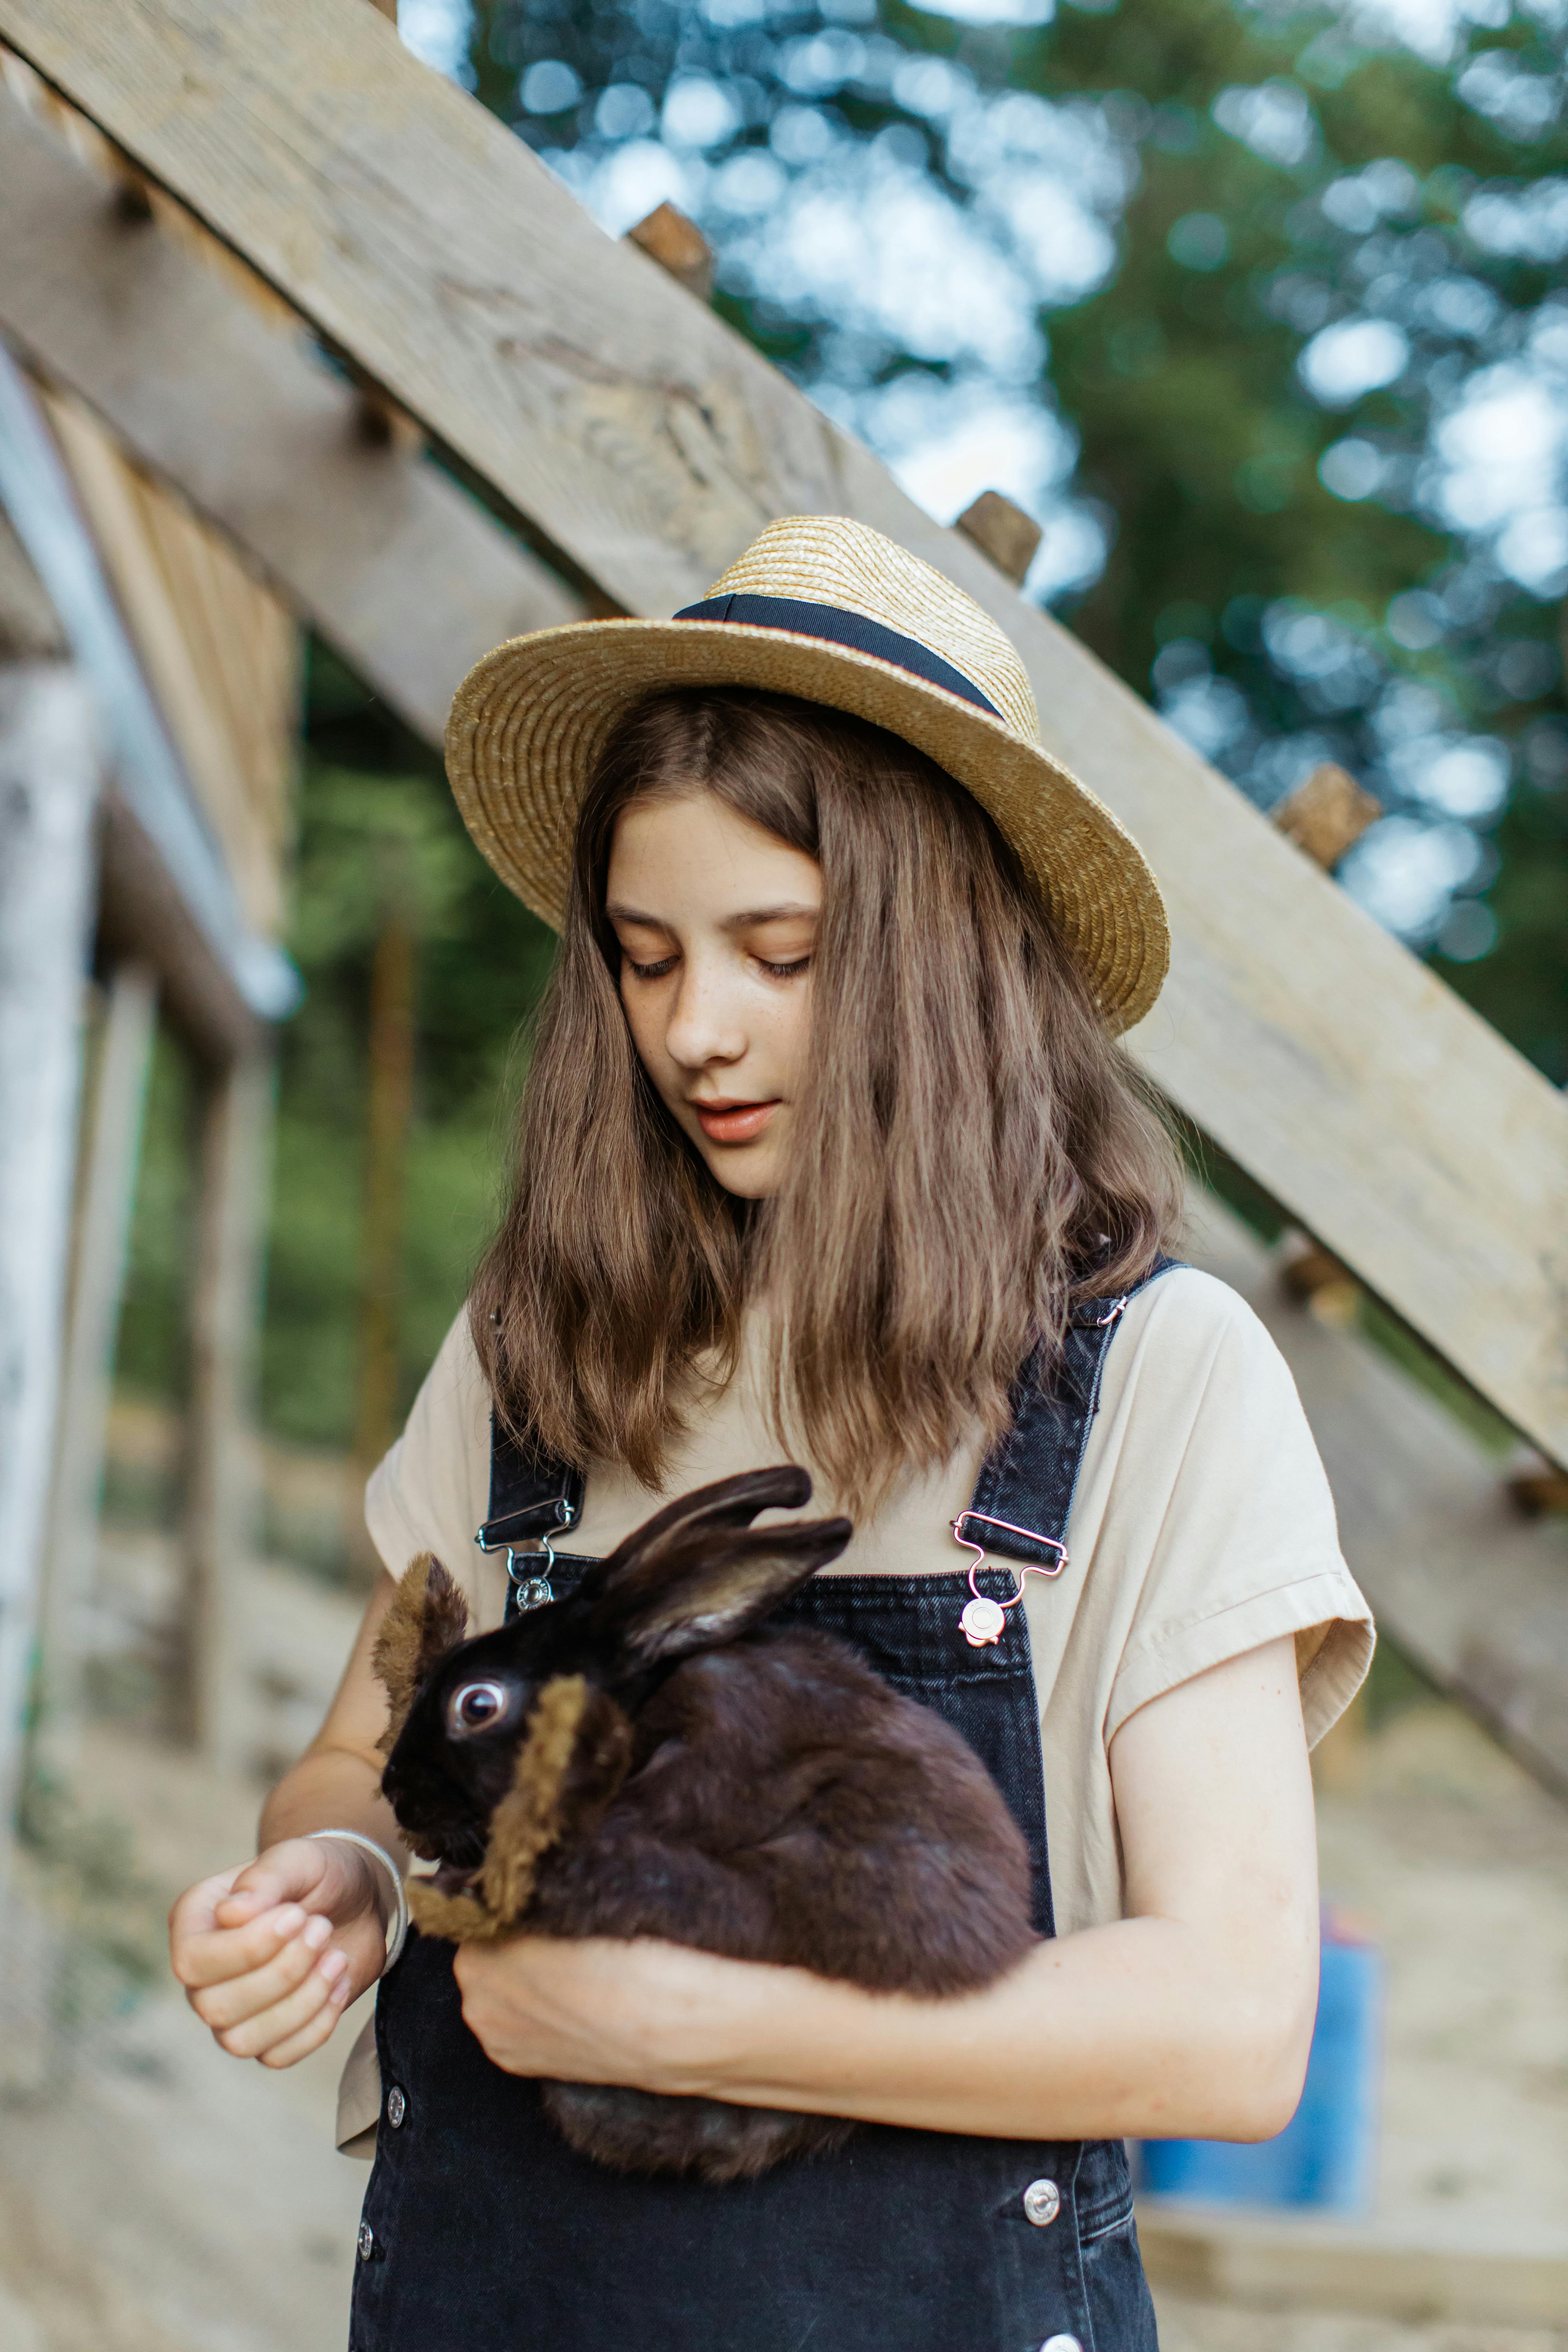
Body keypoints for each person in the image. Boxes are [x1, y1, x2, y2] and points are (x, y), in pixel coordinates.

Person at [168, 515, 1373, 2351]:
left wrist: (703, 2031)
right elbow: (355, 1762)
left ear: (943, 959)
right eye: (646, 959)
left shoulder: (1161, 1381)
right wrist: (331, 1880)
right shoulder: (539, 1347)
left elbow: (1232, 2025)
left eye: (779, 951)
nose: (696, 1032)